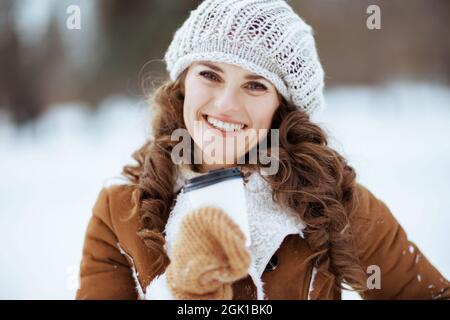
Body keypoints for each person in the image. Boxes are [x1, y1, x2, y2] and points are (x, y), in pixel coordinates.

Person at [76, 0, 449, 300]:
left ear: (282, 109)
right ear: (183, 84)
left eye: (255, 86)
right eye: (209, 74)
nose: (225, 104)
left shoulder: (333, 202)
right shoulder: (120, 212)